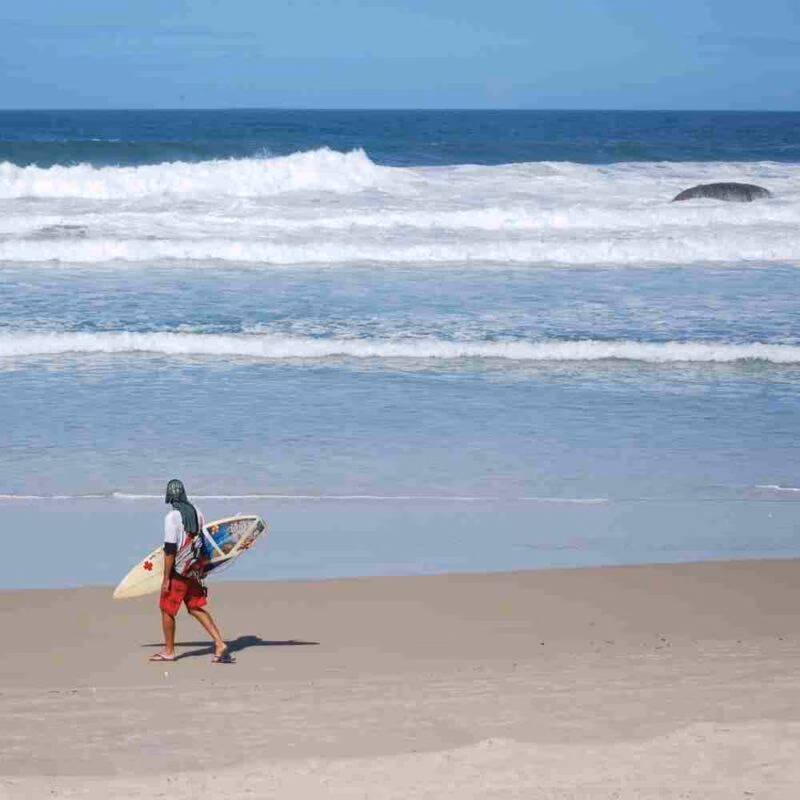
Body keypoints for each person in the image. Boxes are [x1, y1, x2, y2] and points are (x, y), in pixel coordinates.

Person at [149, 479, 235, 664]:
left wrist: (166, 578)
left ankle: (169, 651)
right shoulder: (198, 512)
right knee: (195, 607)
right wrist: (202, 569)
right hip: (194, 569)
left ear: (170, 497)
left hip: (179, 572)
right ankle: (219, 644)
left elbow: (170, 550)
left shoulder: (172, 517)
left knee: (167, 610)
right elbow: (202, 544)